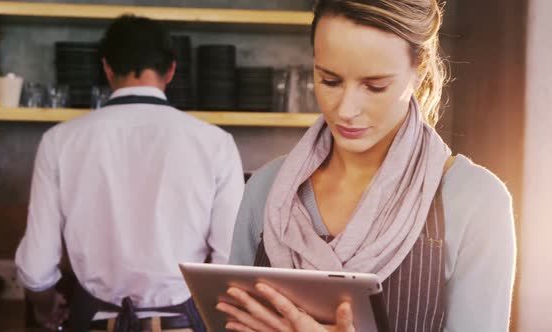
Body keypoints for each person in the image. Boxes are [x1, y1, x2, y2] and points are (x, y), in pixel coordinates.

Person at [219, 0, 516, 331]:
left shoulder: (475, 201)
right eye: (330, 80)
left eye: (375, 86)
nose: (346, 109)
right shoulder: (266, 188)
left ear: (419, 71)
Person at [15, 15, 244, 332]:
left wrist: (46, 309)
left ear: (107, 68)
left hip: (92, 320)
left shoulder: (59, 141)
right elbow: (230, 267)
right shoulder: (216, 144)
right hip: (184, 323)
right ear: (172, 70)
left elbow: (35, 269)